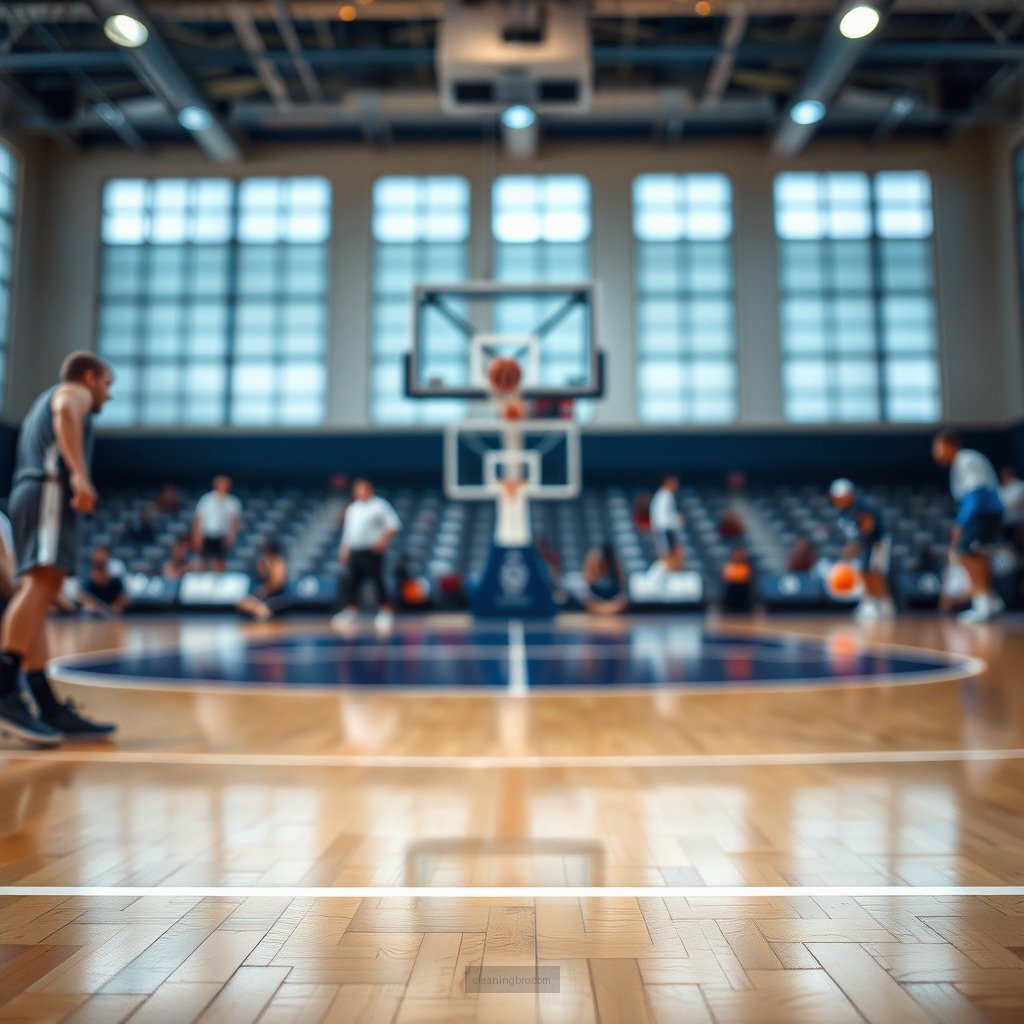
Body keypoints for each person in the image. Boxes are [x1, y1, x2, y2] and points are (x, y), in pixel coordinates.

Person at [0, 351, 117, 744]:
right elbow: (66, 410)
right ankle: (3, 689)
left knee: (40, 591)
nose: (108, 394)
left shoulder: (45, 399)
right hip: (48, 489)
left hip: (30, 492)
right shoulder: (72, 392)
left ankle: (44, 702)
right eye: (106, 384)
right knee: (39, 587)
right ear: (89, 377)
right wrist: (81, 477)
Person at [932, 429, 1004, 623]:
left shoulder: (965, 460)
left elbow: (976, 493)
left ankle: (981, 603)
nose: (935, 454)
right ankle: (989, 600)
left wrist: (961, 522)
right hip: (986, 512)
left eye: (937, 448)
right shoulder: (963, 461)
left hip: (982, 512)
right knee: (977, 554)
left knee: (964, 552)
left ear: (949, 445)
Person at [331, 478, 401, 631]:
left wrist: (382, 542)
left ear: (369, 489)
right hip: (355, 551)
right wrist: (344, 551)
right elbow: (347, 533)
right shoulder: (353, 508)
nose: (357, 492)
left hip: (371, 551)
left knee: (377, 581)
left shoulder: (379, 505)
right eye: (356, 489)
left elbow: (393, 526)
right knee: (352, 582)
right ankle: (351, 611)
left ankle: (385, 611)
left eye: (360, 488)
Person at [828, 478, 895, 621]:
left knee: (876, 572)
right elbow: (853, 533)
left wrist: (856, 545)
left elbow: (868, 527)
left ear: (850, 494)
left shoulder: (861, 506)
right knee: (863, 570)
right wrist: (853, 545)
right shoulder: (844, 512)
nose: (839, 500)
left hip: (877, 541)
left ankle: (885, 605)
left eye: (841, 496)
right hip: (865, 543)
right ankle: (869, 603)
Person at [192, 475, 241, 572]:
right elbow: (198, 518)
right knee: (203, 559)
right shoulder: (206, 500)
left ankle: (220, 582)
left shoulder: (233, 502)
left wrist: (231, 536)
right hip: (207, 534)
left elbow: (235, 522)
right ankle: (202, 581)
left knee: (220, 560)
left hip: (222, 536)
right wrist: (197, 535)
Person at [237, 541, 289, 621]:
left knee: (262, 610)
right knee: (243, 603)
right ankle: (258, 609)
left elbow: (277, 583)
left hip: (276, 597)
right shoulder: (262, 561)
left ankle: (261, 610)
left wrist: (265, 589)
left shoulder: (278, 563)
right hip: (262, 598)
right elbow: (261, 575)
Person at [575, 542, 628, 616]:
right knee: (586, 599)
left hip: (612, 599)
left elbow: (620, 584)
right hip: (596, 598)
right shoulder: (593, 559)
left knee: (622, 601)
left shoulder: (615, 563)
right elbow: (588, 581)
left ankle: (606, 609)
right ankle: (605, 609)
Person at [79, 545, 130, 617]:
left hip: (113, 615)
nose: (100, 558)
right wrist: (94, 607)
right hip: (93, 614)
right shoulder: (87, 578)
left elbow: (124, 596)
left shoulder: (115, 577)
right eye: (97, 555)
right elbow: (82, 597)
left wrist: (116, 607)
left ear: (108, 557)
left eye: (102, 555)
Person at [649, 475, 683, 554]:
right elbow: (662, 518)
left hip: (664, 529)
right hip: (664, 530)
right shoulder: (664, 496)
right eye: (674, 482)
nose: (676, 485)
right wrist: (676, 521)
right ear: (667, 483)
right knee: (668, 554)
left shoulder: (665, 495)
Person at [721, 546, 755, 613]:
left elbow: (746, 578)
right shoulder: (729, 565)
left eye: (740, 554)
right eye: (736, 554)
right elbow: (726, 577)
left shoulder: (747, 566)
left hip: (743, 592)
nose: (738, 556)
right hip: (732, 592)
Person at [998, 466, 1024, 551]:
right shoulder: (1001, 488)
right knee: (1008, 546)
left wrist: (1001, 505)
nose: (1003, 476)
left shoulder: (1019, 486)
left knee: (1019, 545)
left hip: (1018, 522)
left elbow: (1013, 503)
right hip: (1005, 523)